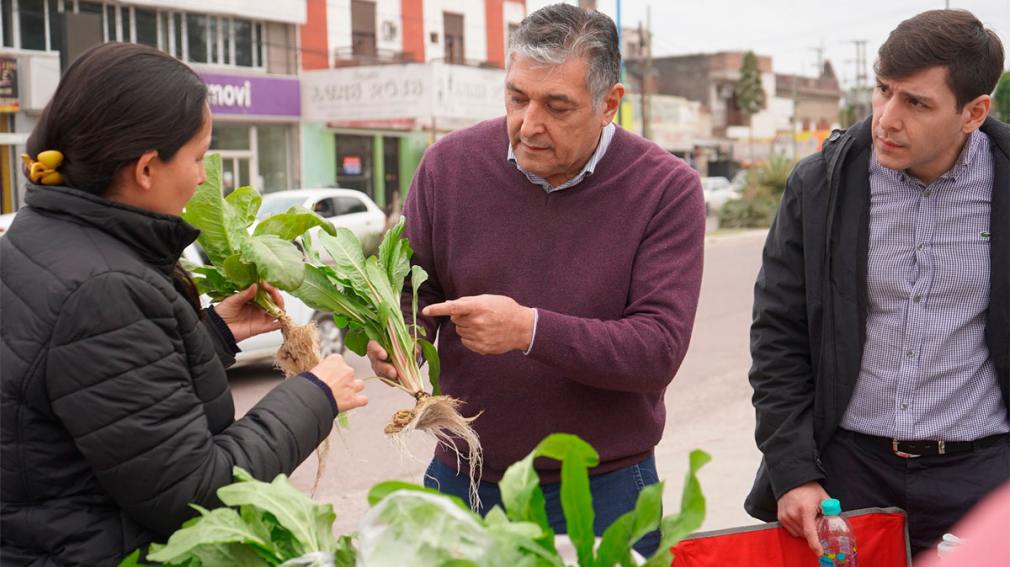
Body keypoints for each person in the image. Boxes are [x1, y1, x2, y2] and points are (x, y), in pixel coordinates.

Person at [0, 43, 368, 565]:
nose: (201, 177)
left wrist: (212, 333)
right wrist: (315, 396)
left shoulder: (38, 235)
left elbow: (103, 391)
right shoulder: (104, 289)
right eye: (197, 158)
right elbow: (194, 494)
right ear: (147, 169)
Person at [367, 3, 705, 557]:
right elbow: (412, 288)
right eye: (517, 98)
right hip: (464, 479)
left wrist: (529, 330)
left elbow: (657, 349)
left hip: (602, 490)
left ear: (609, 104)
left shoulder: (666, 190)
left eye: (556, 106)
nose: (528, 124)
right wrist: (400, 338)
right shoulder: (447, 166)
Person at [745, 9, 1008, 559]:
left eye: (916, 103)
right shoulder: (821, 185)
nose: (887, 119)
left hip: (984, 477)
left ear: (974, 112)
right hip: (848, 476)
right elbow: (779, 335)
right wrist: (793, 470)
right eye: (883, 90)